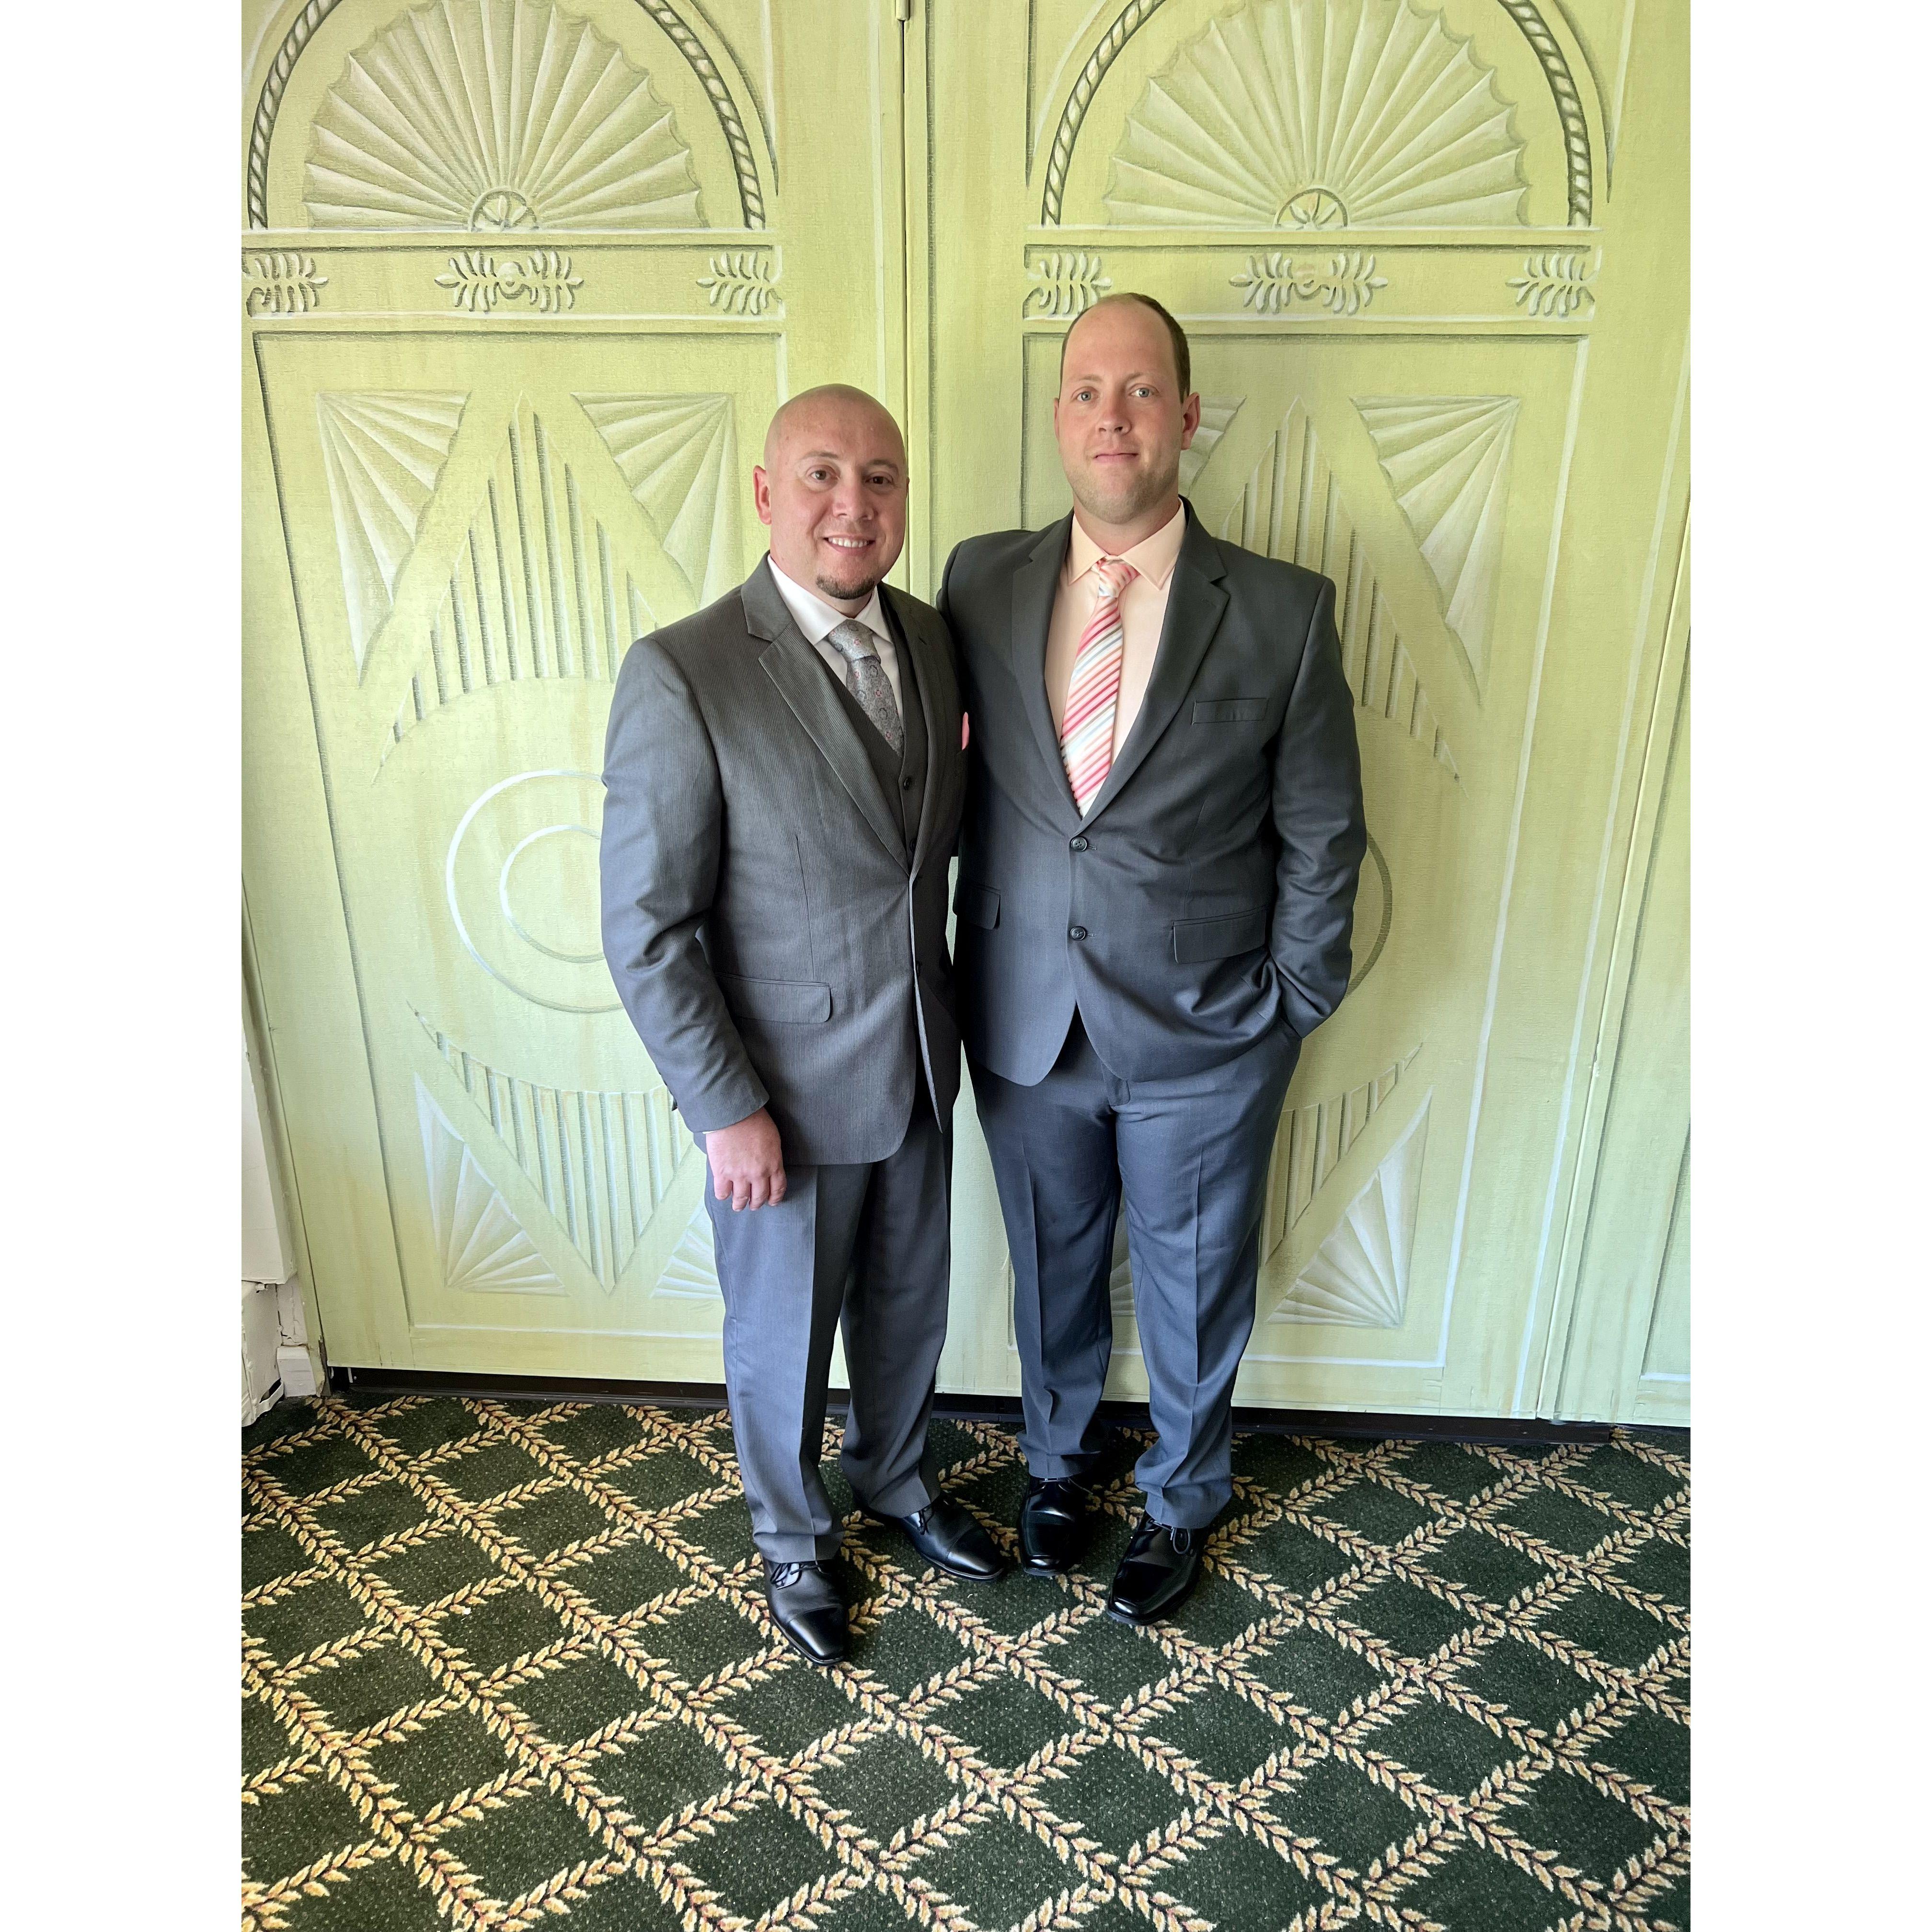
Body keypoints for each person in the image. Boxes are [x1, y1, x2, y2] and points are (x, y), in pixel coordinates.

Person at [938, 295, 1367, 1625]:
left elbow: (1324, 829)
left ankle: (1183, 1495)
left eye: (1138, 391)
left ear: (1185, 415)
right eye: (1086, 391)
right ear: (1058, 416)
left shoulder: (1284, 610)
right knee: (1050, 1264)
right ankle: (1058, 1466)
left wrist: (1292, 1002)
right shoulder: (977, 583)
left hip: (1210, 1030)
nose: (1110, 416)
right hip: (1026, 1014)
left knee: (1194, 1280)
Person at [601, 384, 1003, 1667]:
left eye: (881, 477)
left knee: (909, 1310)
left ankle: (895, 1480)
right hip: (775, 1096)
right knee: (781, 1342)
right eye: (822, 474)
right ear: (769, 493)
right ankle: (791, 1538)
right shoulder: (684, 671)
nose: (854, 503)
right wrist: (726, 1108)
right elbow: (648, 928)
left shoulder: (933, 639)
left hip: (919, 1062)